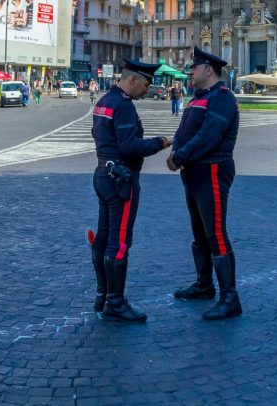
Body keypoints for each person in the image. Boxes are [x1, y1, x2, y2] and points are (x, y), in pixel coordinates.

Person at [90, 59, 173, 323]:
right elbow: (129, 147)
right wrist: (160, 142)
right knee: (120, 241)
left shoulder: (104, 101)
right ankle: (115, 302)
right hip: (121, 180)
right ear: (133, 79)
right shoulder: (123, 106)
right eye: (146, 84)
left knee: (103, 238)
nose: (147, 90)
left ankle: (103, 295)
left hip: (103, 173)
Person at [169, 47, 242, 320]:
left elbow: (209, 135)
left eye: (193, 68)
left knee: (215, 232)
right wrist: (177, 152)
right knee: (199, 232)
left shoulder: (223, 98)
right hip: (194, 171)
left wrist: (180, 155)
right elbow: (183, 131)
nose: (189, 72)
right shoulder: (199, 97)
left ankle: (230, 298)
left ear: (207, 70)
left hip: (212, 169)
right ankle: (204, 285)